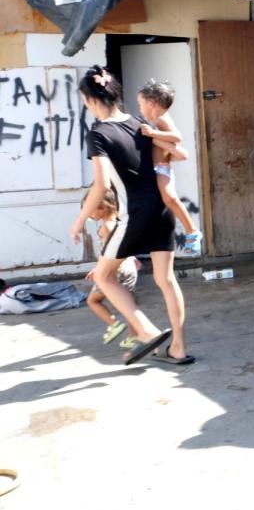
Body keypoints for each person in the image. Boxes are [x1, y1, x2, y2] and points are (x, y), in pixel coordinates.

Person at [69, 65, 191, 366]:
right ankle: (178, 347)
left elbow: (101, 185)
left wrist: (80, 220)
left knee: (103, 275)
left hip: (134, 214)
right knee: (166, 279)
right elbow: (175, 150)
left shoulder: (98, 133)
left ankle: (146, 331)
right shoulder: (138, 123)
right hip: (162, 211)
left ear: (90, 99)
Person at [136, 80, 203, 256]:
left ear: (151, 104)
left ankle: (192, 231)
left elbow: (176, 137)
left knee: (170, 197)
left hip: (162, 167)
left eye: (141, 104)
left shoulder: (161, 119)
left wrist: (152, 135)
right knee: (161, 202)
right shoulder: (157, 120)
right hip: (157, 167)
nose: (140, 109)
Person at [82, 188, 142, 348]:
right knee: (128, 305)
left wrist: (98, 269)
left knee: (93, 301)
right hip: (128, 267)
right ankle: (133, 337)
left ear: (103, 207)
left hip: (113, 270)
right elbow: (125, 245)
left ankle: (114, 324)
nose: (87, 213)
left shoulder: (106, 227)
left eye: (89, 209)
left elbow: (109, 252)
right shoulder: (121, 223)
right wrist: (132, 257)